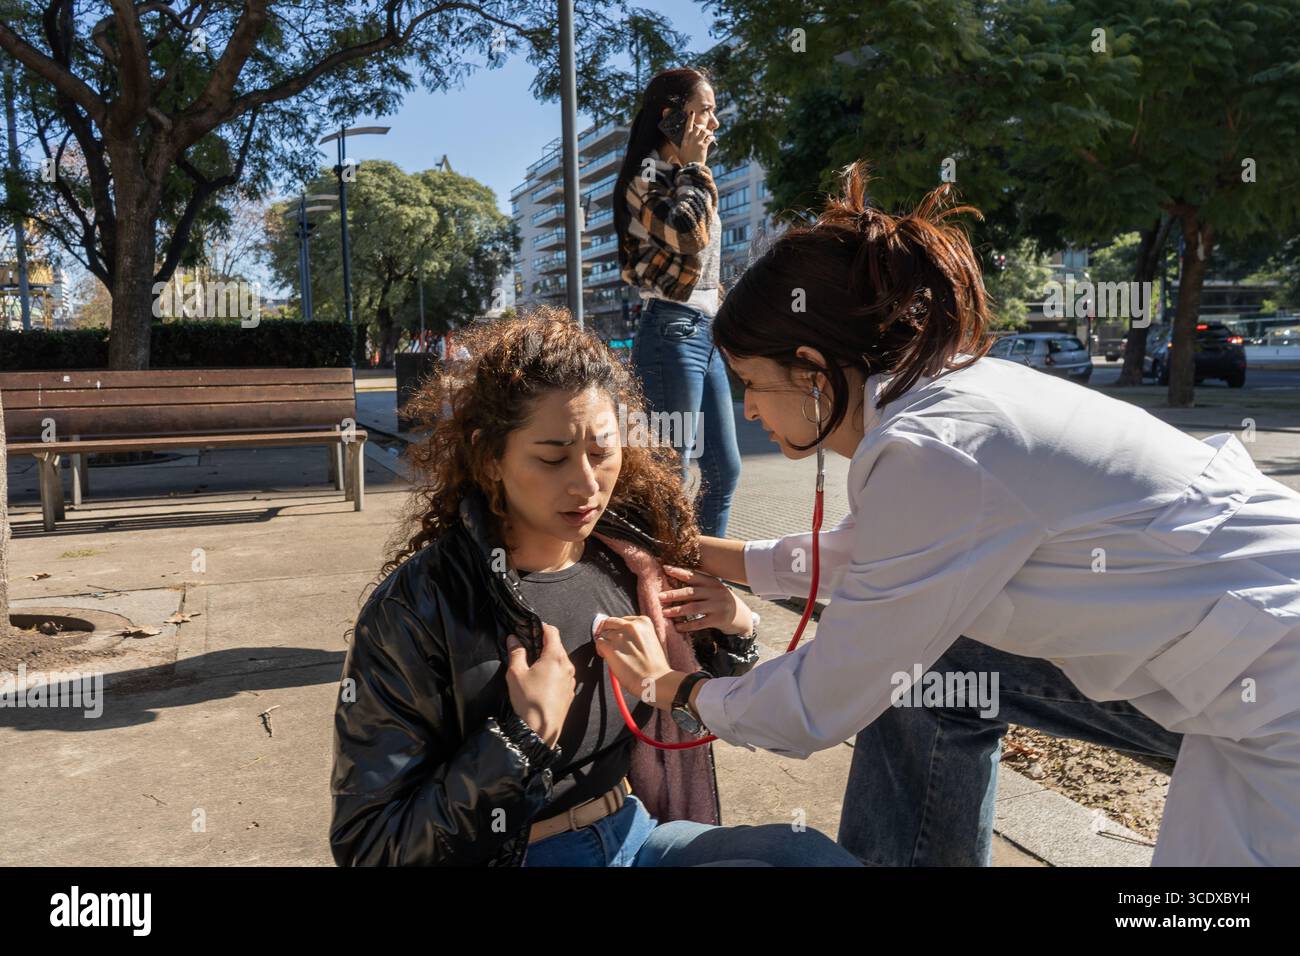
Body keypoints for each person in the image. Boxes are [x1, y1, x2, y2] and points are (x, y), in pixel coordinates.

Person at [590, 161, 1300, 866]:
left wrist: (673, 688)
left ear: (811, 368)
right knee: (934, 673)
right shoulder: (941, 397)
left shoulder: (932, 448)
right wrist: (684, 546)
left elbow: (821, 702)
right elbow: (862, 560)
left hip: (1274, 681)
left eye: (752, 384)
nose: (746, 408)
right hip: (1235, 665)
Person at [328, 308, 860, 867]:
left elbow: (691, 711)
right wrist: (519, 740)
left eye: (602, 453)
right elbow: (371, 847)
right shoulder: (418, 608)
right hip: (522, 855)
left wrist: (734, 632)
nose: (585, 484)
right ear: (490, 457)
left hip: (637, 834)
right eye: (552, 457)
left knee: (803, 855)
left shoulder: (631, 563)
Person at [616, 66, 741, 538]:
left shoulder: (686, 176)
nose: (714, 122)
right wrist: (694, 168)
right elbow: (689, 236)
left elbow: (705, 270)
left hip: (704, 335)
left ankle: (705, 583)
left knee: (723, 471)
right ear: (672, 116)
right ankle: (663, 585)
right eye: (705, 110)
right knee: (669, 474)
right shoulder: (648, 177)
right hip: (670, 334)